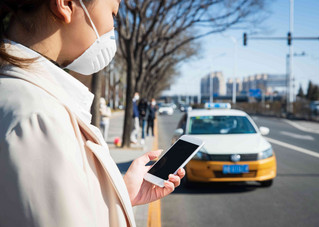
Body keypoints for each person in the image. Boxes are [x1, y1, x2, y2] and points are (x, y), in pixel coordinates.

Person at [0, 1, 185, 227]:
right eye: (113, 14)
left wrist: (122, 195)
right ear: (66, 4)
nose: (112, 29)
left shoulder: (24, 100)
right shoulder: (41, 118)